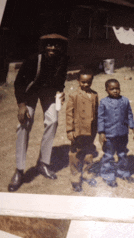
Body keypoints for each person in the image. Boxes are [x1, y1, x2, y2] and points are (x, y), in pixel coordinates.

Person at [8, 33, 69, 192]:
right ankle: (20, 170)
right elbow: (19, 82)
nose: (53, 48)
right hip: (29, 94)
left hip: (48, 94)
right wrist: (21, 105)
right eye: (49, 45)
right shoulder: (33, 59)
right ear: (44, 46)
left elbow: (61, 80)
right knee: (24, 124)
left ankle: (43, 163)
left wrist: (60, 93)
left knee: (53, 120)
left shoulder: (63, 60)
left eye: (56, 45)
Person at [98, 79, 134, 187]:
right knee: (109, 155)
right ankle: (107, 175)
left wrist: (131, 127)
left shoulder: (125, 100)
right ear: (106, 90)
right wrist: (101, 132)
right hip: (109, 135)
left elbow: (129, 114)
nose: (115, 91)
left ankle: (123, 172)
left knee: (122, 153)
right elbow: (100, 118)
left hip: (122, 133)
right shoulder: (103, 102)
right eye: (112, 89)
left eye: (117, 88)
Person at [66, 69, 98, 192]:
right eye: (83, 82)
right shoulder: (74, 95)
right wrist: (70, 130)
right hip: (78, 130)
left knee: (89, 152)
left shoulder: (94, 94)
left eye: (88, 82)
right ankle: (75, 177)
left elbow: (97, 112)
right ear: (78, 81)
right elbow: (69, 114)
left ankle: (87, 173)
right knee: (76, 153)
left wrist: (98, 129)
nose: (85, 85)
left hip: (91, 130)